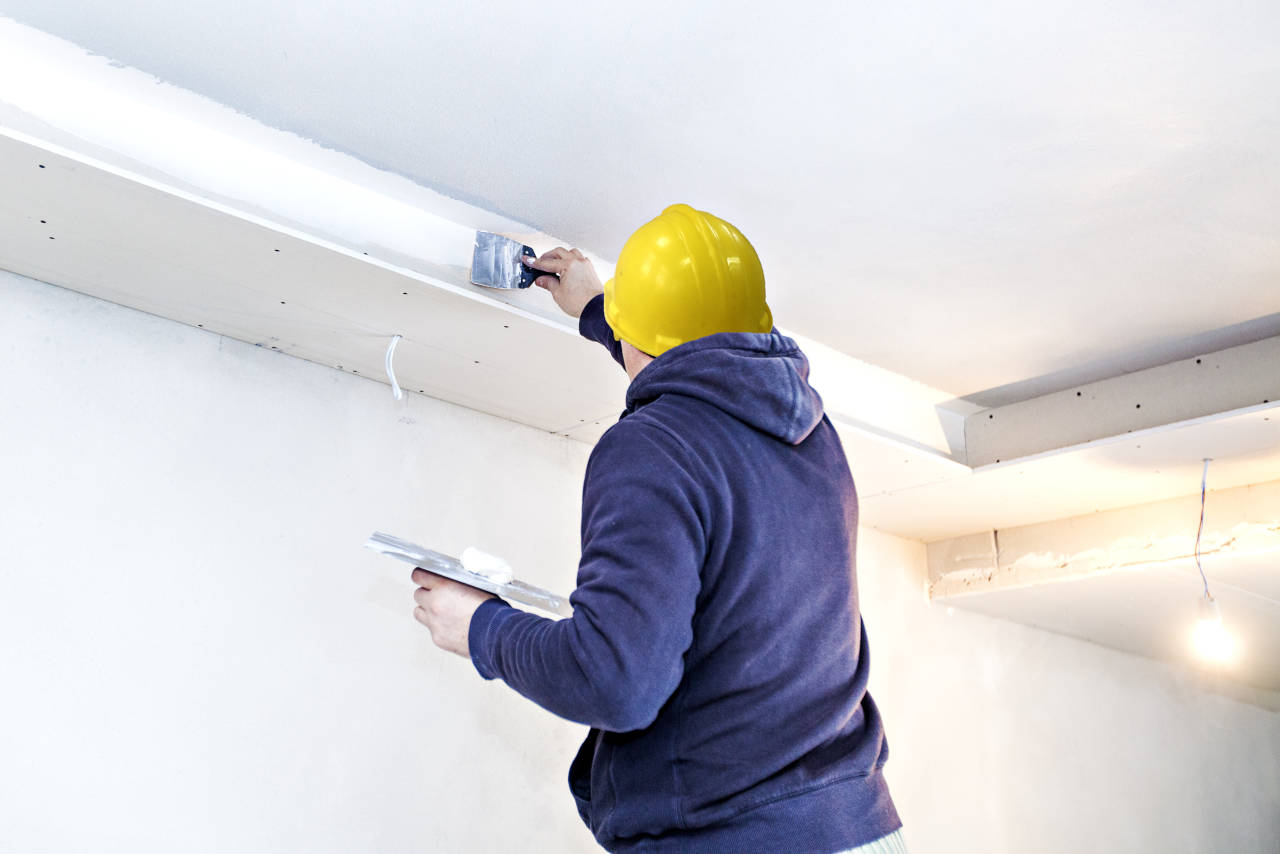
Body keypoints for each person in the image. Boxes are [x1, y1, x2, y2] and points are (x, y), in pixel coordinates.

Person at [410, 204, 905, 853]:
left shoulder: (649, 448)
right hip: (858, 827)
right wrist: (600, 312)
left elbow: (616, 681)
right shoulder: (813, 438)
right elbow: (703, 377)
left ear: (633, 331)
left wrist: (481, 627)